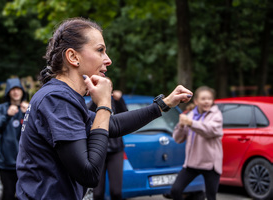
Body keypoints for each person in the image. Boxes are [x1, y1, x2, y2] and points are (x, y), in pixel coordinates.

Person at [15, 17, 193, 200]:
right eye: (100, 50)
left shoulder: (61, 95)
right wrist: (104, 104)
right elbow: (89, 174)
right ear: (73, 57)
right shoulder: (57, 99)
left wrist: (164, 105)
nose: (108, 60)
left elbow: (112, 125)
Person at [170, 86, 223, 200]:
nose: (207, 101)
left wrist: (190, 123)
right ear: (196, 101)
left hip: (211, 164)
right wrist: (181, 125)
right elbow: (178, 139)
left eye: (209, 99)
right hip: (192, 162)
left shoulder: (216, 115)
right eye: (203, 99)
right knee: (175, 190)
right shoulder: (190, 115)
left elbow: (210, 130)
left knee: (211, 196)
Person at [0, 77, 29, 200]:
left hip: (25, 164)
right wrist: (7, 115)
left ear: (22, 91)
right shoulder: (1, 109)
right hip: (6, 163)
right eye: (12, 90)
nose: (16, 92)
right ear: (8, 92)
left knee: (26, 195)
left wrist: (29, 113)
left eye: (18, 89)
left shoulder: (28, 108)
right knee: (8, 195)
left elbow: (39, 129)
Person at [87, 90, 128, 200]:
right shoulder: (93, 103)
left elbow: (126, 117)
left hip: (116, 150)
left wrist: (120, 100)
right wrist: (95, 99)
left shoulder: (116, 103)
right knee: (97, 193)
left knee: (116, 192)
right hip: (98, 152)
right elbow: (86, 116)